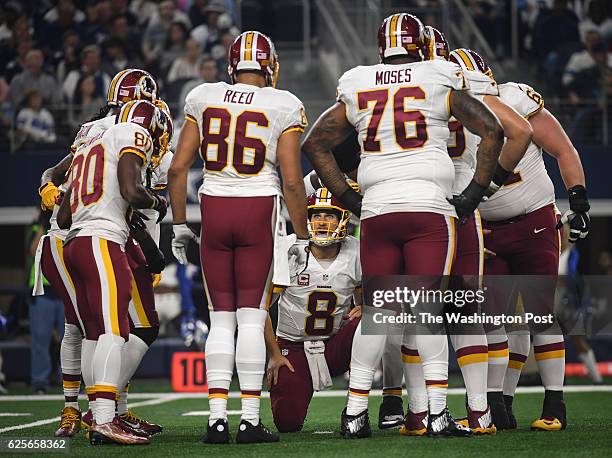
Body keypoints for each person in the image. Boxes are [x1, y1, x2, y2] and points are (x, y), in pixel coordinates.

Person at [302, 13, 504, 438]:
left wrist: (348, 197)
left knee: (378, 313)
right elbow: (492, 129)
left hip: (378, 209)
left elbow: (315, 143)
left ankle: (355, 413)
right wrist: (474, 193)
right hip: (428, 207)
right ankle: (436, 413)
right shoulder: (438, 73)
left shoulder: (358, 81)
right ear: (419, 44)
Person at [168, 30, 309, 444]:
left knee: (221, 319)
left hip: (213, 207)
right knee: (251, 317)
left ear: (233, 65)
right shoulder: (283, 104)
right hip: (257, 207)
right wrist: (300, 236)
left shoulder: (204, 95)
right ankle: (248, 419)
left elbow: (178, 169)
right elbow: (293, 180)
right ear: (269, 66)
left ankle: (216, 420)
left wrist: (179, 225)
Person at [464, 50, 590, 432]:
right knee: (496, 322)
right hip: (486, 229)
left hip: (533, 219)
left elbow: (562, 148)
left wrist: (579, 198)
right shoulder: (446, 120)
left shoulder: (515, 99)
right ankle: (498, 405)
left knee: (537, 314)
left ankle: (555, 403)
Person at [37, 68, 158, 438]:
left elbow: (58, 182)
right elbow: (133, 193)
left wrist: (51, 189)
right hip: (97, 235)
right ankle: (98, 412)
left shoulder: (91, 132)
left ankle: (96, 409)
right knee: (105, 328)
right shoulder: (130, 131)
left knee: (88, 327)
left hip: (70, 233)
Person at [266, 188, 362, 433]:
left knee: (375, 316)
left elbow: (364, 300)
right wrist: (275, 355)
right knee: (287, 423)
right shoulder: (289, 248)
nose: (321, 222)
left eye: (329, 215)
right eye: (316, 215)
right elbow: (260, 309)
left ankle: (359, 408)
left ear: (343, 219)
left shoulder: (357, 251)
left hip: (335, 345)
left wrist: (365, 307)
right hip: (294, 348)